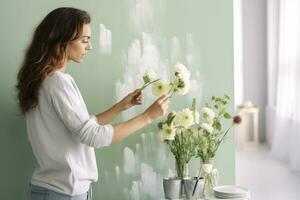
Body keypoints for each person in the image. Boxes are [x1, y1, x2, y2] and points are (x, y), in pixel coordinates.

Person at [16, 7, 169, 200]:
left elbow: (81, 129)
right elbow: (92, 136)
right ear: (62, 41)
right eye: (84, 40)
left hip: (52, 191)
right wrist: (148, 117)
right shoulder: (58, 82)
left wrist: (121, 106)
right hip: (61, 193)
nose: (89, 47)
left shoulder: (44, 80)